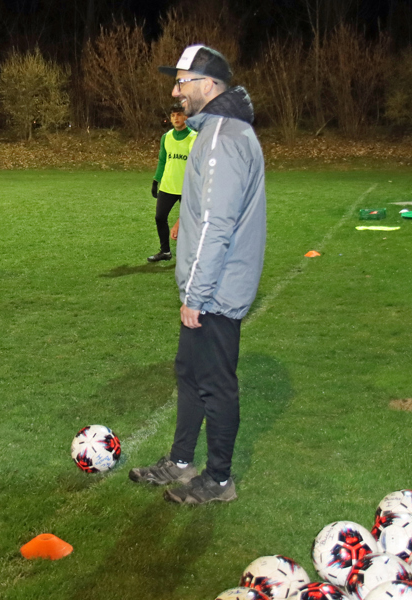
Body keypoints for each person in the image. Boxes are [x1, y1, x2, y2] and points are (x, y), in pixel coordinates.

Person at [129, 45, 266, 505]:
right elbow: (209, 210)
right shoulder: (221, 132)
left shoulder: (222, 136)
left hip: (216, 289)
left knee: (215, 383)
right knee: (189, 373)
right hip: (213, 283)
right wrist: (187, 218)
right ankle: (182, 460)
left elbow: (218, 224)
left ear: (208, 85)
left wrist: (196, 295)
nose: (175, 91)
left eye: (182, 82)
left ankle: (220, 479)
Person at [148, 103, 197, 263]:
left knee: (189, 223)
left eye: (179, 114)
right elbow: (163, 160)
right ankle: (165, 251)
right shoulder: (166, 137)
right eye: (173, 115)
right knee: (160, 217)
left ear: (186, 116)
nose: (176, 118)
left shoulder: (194, 137)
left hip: (187, 188)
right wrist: (156, 180)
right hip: (168, 186)